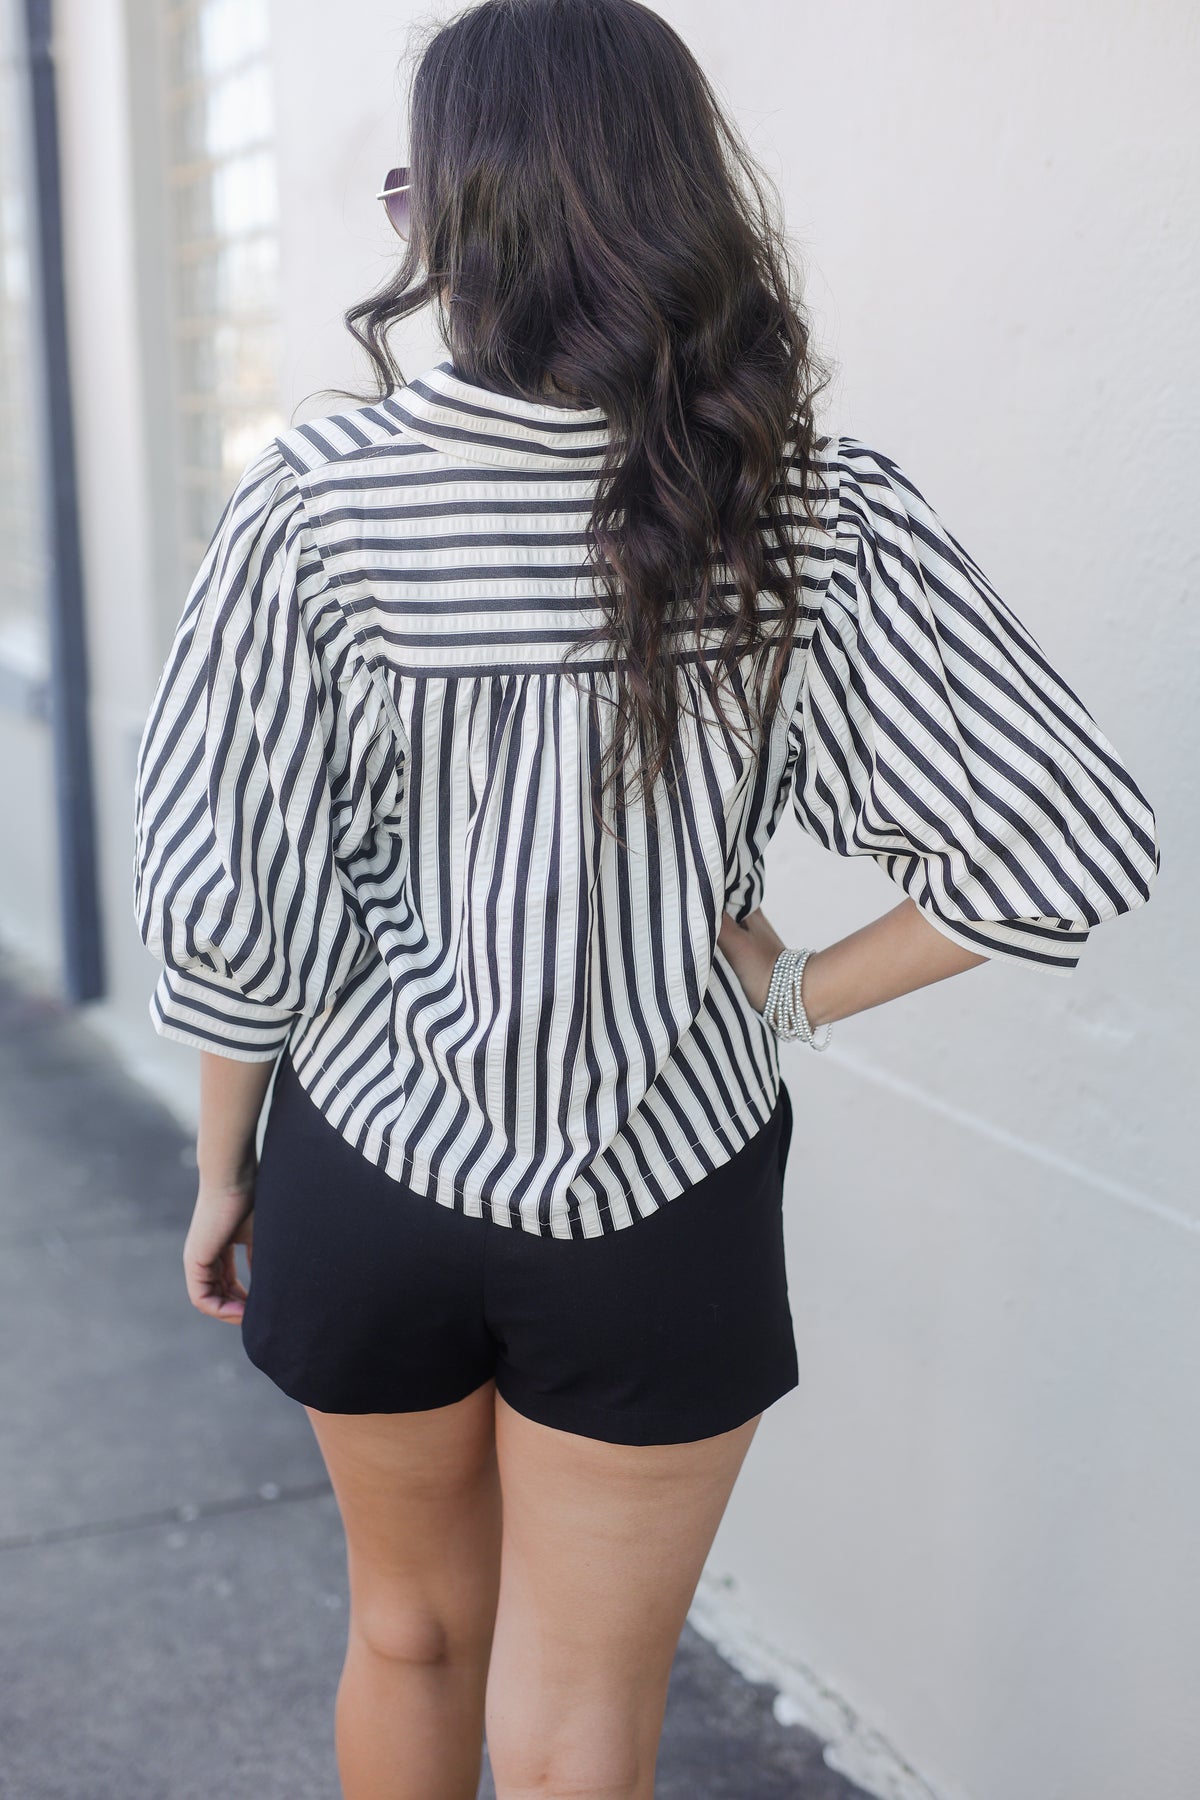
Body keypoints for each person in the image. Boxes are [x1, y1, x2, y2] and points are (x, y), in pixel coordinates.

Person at [130, 2, 1159, 1795]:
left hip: (367, 1169)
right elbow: (1068, 842)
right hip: (663, 1190)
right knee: (586, 1713)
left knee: (407, 1633)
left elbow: (232, 909)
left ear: (460, 218)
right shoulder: (800, 505)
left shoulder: (320, 507)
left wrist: (228, 1174)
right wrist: (792, 996)